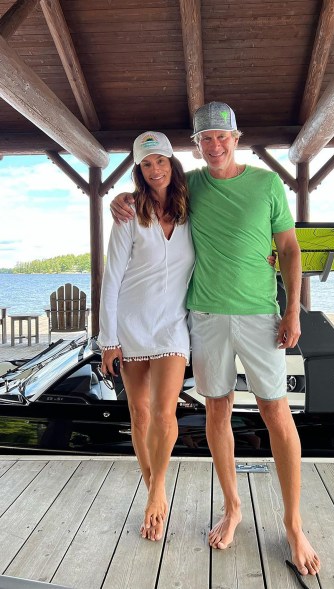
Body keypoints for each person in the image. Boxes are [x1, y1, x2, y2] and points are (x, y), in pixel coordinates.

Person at [109, 102, 321, 576]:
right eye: (206, 139)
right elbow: (151, 192)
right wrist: (118, 200)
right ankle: (232, 508)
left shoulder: (267, 184)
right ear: (197, 146)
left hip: (261, 315)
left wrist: (292, 310)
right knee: (217, 409)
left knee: (275, 411)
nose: (215, 145)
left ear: (236, 137)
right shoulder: (191, 187)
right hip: (204, 316)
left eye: (222, 137)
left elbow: (288, 247)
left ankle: (292, 523)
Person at [98, 131, 195, 542]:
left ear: (173, 163)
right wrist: (107, 340)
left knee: (163, 414)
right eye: (147, 164)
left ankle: (157, 493)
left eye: (161, 161)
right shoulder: (129, 214)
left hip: (173, 324)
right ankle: (152, 488)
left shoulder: (194, 210)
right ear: (139, 171)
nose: (156, 170)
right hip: (131, 325)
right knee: (138, 414)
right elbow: (111, 278)